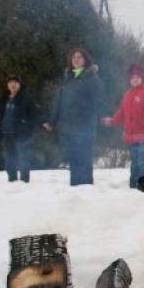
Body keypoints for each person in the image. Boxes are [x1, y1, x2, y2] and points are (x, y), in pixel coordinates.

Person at [43, 47, 106, 186]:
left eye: (79, 57)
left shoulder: (91, 78)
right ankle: (75, 189)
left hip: (85, 126)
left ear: (85, 60)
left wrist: (103, 116)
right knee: (74, 159)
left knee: (84, 159)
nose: (76, 60)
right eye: (74, 57)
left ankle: (86, 189)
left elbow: (99, 99)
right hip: (69, 127)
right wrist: (52, 122)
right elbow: (60, 102)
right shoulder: (68, 78)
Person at [102, 63, 144, 188]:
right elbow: (121, 112)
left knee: (142, 162)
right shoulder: (126, 95)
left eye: (137, 77)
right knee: (134, 163)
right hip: (131, 136)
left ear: (141, 78)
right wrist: (112, 120)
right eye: (132, 78)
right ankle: (133, 187)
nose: (135, 80)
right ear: (129, 80)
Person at [0, 74, 41, 182]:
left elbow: (35, 113)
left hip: (21, 134)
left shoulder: (26, 97)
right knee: (9, 160)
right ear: (7, 85)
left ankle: (24, 181)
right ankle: (12, 180)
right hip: (6, 133)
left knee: (23, 159)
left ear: (19, 84)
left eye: (15, 82)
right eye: (10, 82)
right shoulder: (3, 98)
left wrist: (29, 125)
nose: (13, 84)